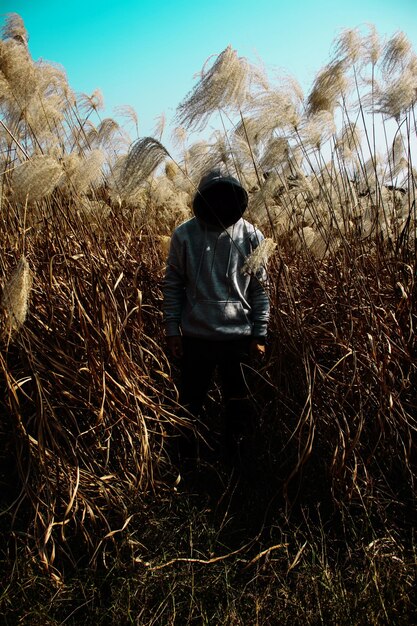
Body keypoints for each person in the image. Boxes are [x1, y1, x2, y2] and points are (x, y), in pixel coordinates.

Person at [162, 169, 270, 461]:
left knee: (238, 405)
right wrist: (172, 329)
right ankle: (185, 465)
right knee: (189, 405)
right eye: (214, 197)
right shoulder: (184, 234)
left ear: (236, 198)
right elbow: (172, 284)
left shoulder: (251, 235)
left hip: (239, 338)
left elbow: (260, 289)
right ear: (203, 198)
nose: (220, 204)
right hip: (196, 339)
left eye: (227, 197)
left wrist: (259, 333)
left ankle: (235, 465)